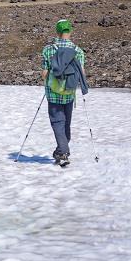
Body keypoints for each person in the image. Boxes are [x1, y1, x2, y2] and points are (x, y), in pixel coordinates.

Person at [41, 19, 88, 167]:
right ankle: (61, 150)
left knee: (57, 122)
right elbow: (82, 73)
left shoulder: (48, 50)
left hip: (53, 93)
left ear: (57, 31)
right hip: (69, 92)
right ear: (70, 31)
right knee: (66, 122)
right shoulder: (78, 51)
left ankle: (62, 152)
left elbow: (44, 73)